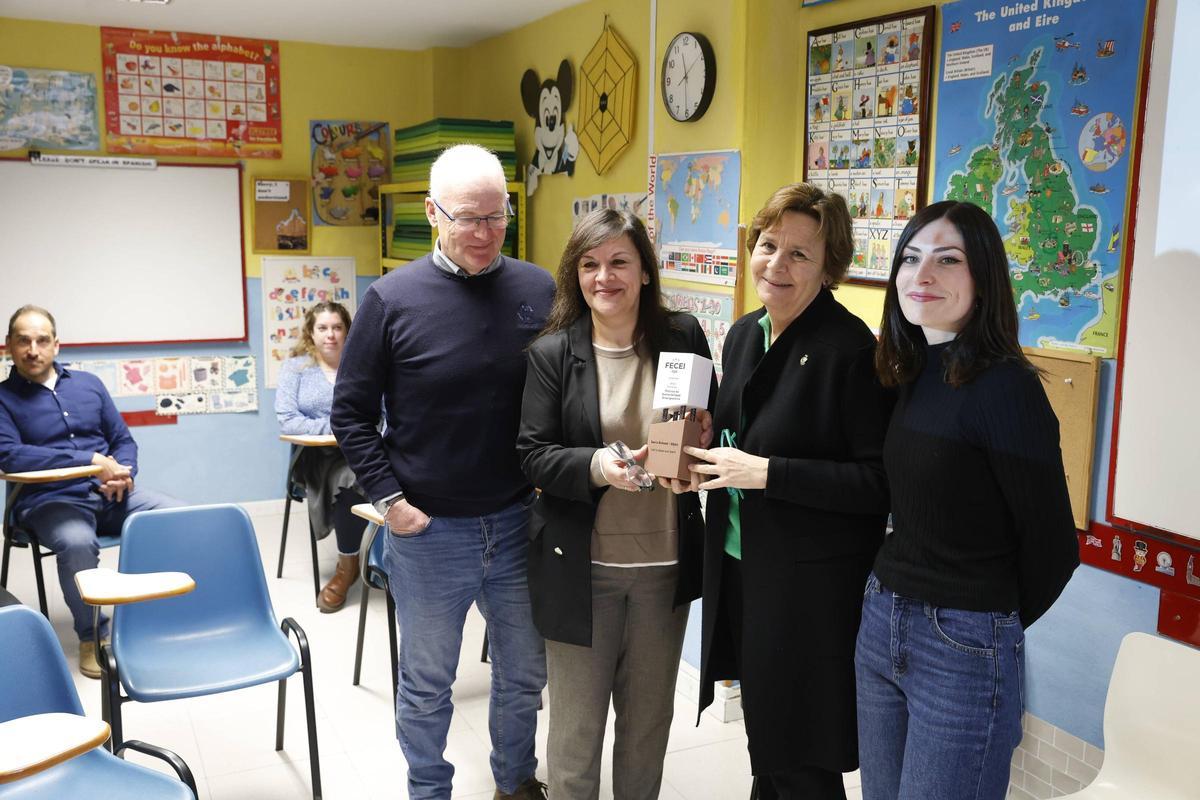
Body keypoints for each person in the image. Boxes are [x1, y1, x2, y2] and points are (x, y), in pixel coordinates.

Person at [331, 144, 554, 800]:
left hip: (517, 523)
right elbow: (351, 413)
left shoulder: (538, 290)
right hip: (428, 532)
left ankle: (515, 783)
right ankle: (429, 790)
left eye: (497, 216)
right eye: (467, 218)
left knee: (523, 676)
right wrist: (391, 501)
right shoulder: (390, 299)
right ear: (431, 213)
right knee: (427, 686)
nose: (485, 233)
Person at [855, 200, 1079, 800]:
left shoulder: (1006, 388)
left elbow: (1056, 548)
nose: (921, 276)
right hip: (881, 621)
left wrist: (982, 625)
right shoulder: (913, 368)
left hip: (962, 645)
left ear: (983, 278)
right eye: (910, 258)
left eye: (947, 260)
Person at [683, 184, 893, 798]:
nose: (776, 265)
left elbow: (878, 484)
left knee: (801, 754)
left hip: (809, 590)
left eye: (799, 255)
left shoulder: (851, 351)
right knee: (770, 743)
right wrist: (697, 456)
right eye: (768, 245)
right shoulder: (746, 333)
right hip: (743, 568)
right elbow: (735, 436)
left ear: (829, 268)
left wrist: (770, 473)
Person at [517, 209, 713, 799]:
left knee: (647, 729)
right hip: (583, 569)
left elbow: (710, 424)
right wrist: (598, 465)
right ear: (575, 275)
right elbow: (532, 455)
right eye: (590, 264)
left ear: (645, 272)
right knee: (576, 738)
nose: (605, 277)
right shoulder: (552, 353)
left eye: (620, 262)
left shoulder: (683, 336)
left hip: (664, 566)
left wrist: (705, 435)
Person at [0, 305, 183, 678]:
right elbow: (11, 455)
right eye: (23, 340)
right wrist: (91, 459)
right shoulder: (2, 398)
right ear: (8, 347)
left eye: (41, 340)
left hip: (109, 493)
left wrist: (123, 474)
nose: (33, 349)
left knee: (176, 516)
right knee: (77, 542)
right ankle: (91, 635)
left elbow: (122, 440)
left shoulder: (89, 385)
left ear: (56, 345)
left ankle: (148, 617)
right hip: (47, 500)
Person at [274, 301, 367, 613]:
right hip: (314, 456)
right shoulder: (295, 368)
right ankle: (347, 566)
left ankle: (390, 561)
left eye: (338, 327)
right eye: (323, 328)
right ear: (310, 334)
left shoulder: (363, 366)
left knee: (403, 472)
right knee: (350, 481)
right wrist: (339, 428)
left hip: (361, 448)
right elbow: (288, 419)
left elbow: (381, 414)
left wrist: (358, 434)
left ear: (347, 331)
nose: (331, 335)